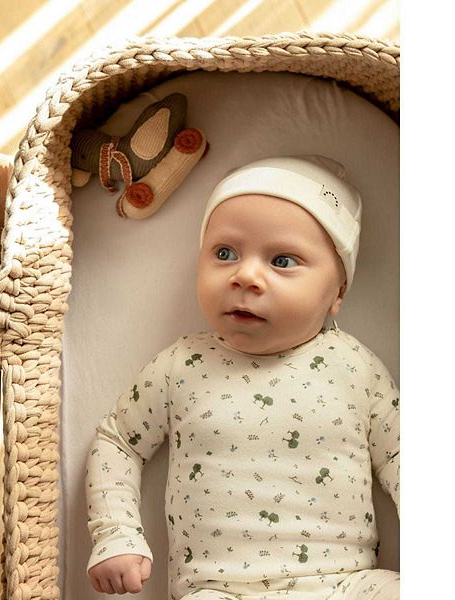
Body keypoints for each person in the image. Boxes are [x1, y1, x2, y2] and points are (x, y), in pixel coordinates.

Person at [85, 156, 400, 599]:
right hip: (218, 590)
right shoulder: (182, 365)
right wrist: (116, 534)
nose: (245, 276)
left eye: (283, 260)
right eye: (225, 253)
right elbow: (118, 441)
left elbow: (402, 453)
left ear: (338, 292)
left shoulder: (354, 367)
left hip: (345, 586)